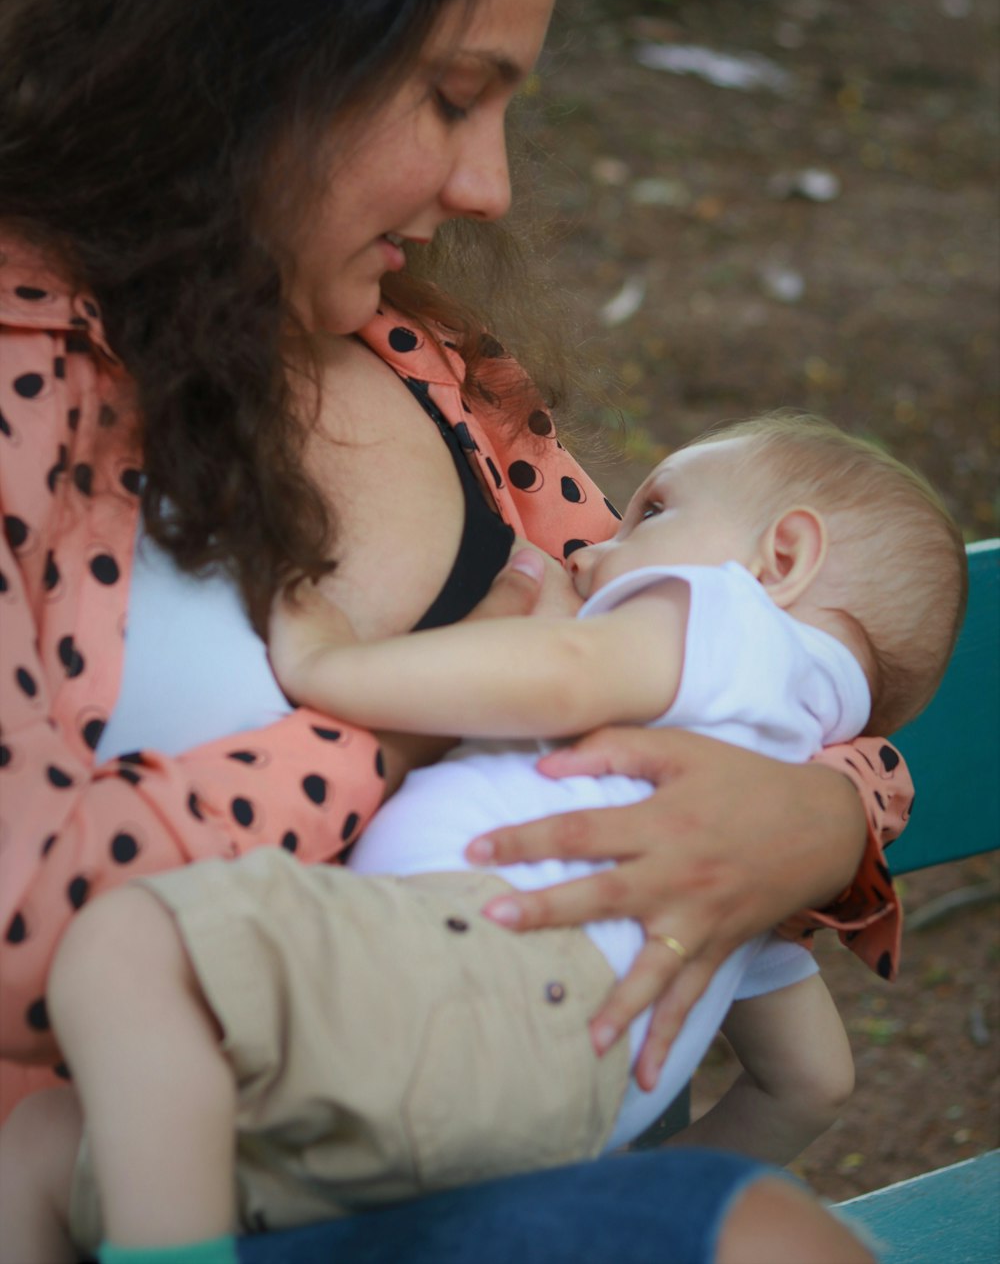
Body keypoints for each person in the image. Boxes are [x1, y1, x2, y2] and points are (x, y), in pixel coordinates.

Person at [0, 0, 911, 1264]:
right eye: (449, 95)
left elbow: (723, 642)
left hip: (452, 1153)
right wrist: (408, 709)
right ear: (236, 54)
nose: (487, 185)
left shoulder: (434, 372)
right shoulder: (27, 381)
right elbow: (34, 918)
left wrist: (817, 821)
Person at [13, 413, 963, 1264]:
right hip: (519, 1105)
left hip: (478, 980)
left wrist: (332, 661)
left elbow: (561, 673)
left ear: (782, 557)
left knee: (129, 947)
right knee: (47, 1147)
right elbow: (813, 1080)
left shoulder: (732, 623)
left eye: (651, 513)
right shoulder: (746, 790)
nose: (596, 548)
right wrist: (621, 1170)